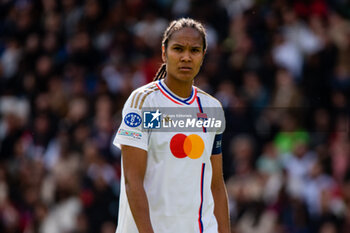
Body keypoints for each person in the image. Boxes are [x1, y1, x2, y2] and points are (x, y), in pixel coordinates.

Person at [113, 18, 230, 233]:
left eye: (194, 50)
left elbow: (216, 184)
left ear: (203, 56)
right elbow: (132, 180)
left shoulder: (212, 108)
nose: (186, 57)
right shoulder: (143, 103)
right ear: (164, 53)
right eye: (178, 49)